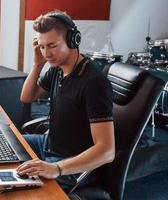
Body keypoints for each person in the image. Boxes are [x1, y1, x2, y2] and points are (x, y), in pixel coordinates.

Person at [16, 10, 115, 186]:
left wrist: (57, 168)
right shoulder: (57, 68)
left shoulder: (94, 83)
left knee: (27, 192)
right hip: (49, 143)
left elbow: (107, 151)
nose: (46, 53)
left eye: (52, 45)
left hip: (73, 163)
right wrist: (37, 64)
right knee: (7, 146)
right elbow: (27, 97)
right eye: (42, 46)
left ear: (73, 40)